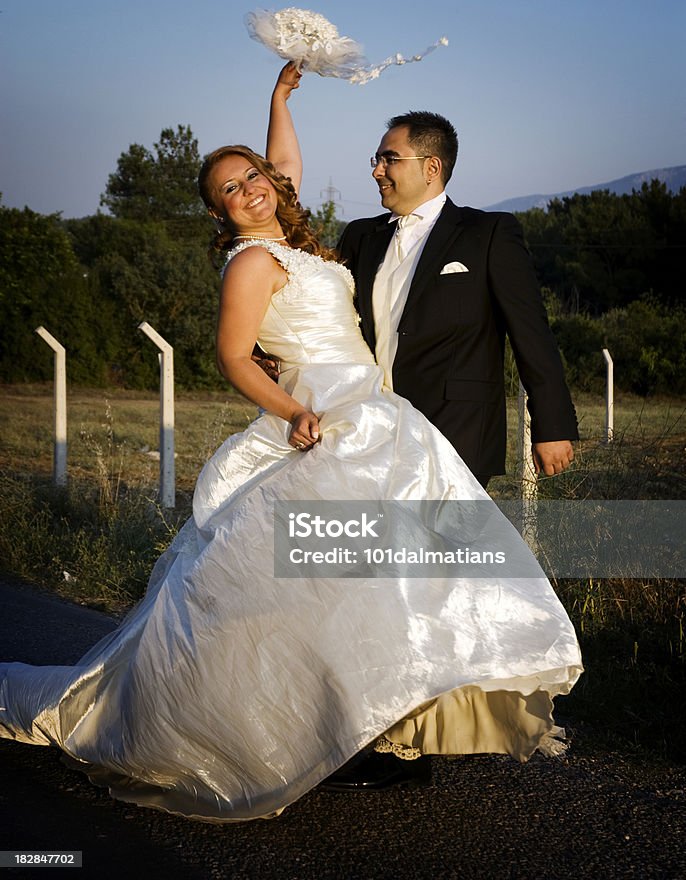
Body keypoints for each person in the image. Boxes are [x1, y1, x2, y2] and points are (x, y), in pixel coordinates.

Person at [0, 65, 582, 822]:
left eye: (252, 179)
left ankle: (392, 725)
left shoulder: (335, 243)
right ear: (218, 212)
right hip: (328, 412)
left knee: (407, 573)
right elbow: (234, 356)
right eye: (228, 192)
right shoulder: (258, 259)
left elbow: (288, 169)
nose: (247, 192)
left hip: (391, 412)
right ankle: (317, 726)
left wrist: (279, 100)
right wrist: (291, 410)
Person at [338, 112, 578, 489]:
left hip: (455, 430)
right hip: (368, 428)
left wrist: (553, 425)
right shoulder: (359, 236)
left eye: (390, 159)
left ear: (431, 166)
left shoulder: (489, 234)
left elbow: (531, 333)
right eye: (377, 160)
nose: (377, 171)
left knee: (446, 547)